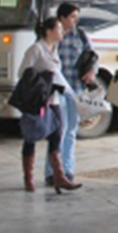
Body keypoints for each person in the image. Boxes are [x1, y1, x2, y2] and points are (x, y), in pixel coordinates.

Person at [18, 16, 82, 193]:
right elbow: (22, 72)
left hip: (54, 99)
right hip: (37, 101)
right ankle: (28, 178)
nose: (62, 32)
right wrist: (42, 81)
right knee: (31, 136)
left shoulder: (53, 49)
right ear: (49, 31)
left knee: (57, 134)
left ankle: (59, 176)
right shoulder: (36, 49)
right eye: (59, 29)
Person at [44, 3, 91, 186]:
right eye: (72, 17)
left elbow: (92, 55)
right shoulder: (53, 36)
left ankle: (68, 170)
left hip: (75, 90)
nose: (75, 20)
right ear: (62, 18)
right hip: (56, 91)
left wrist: (91, 72)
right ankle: (52, 171)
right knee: (57, 132)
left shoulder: (81, 36)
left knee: (71, 130)